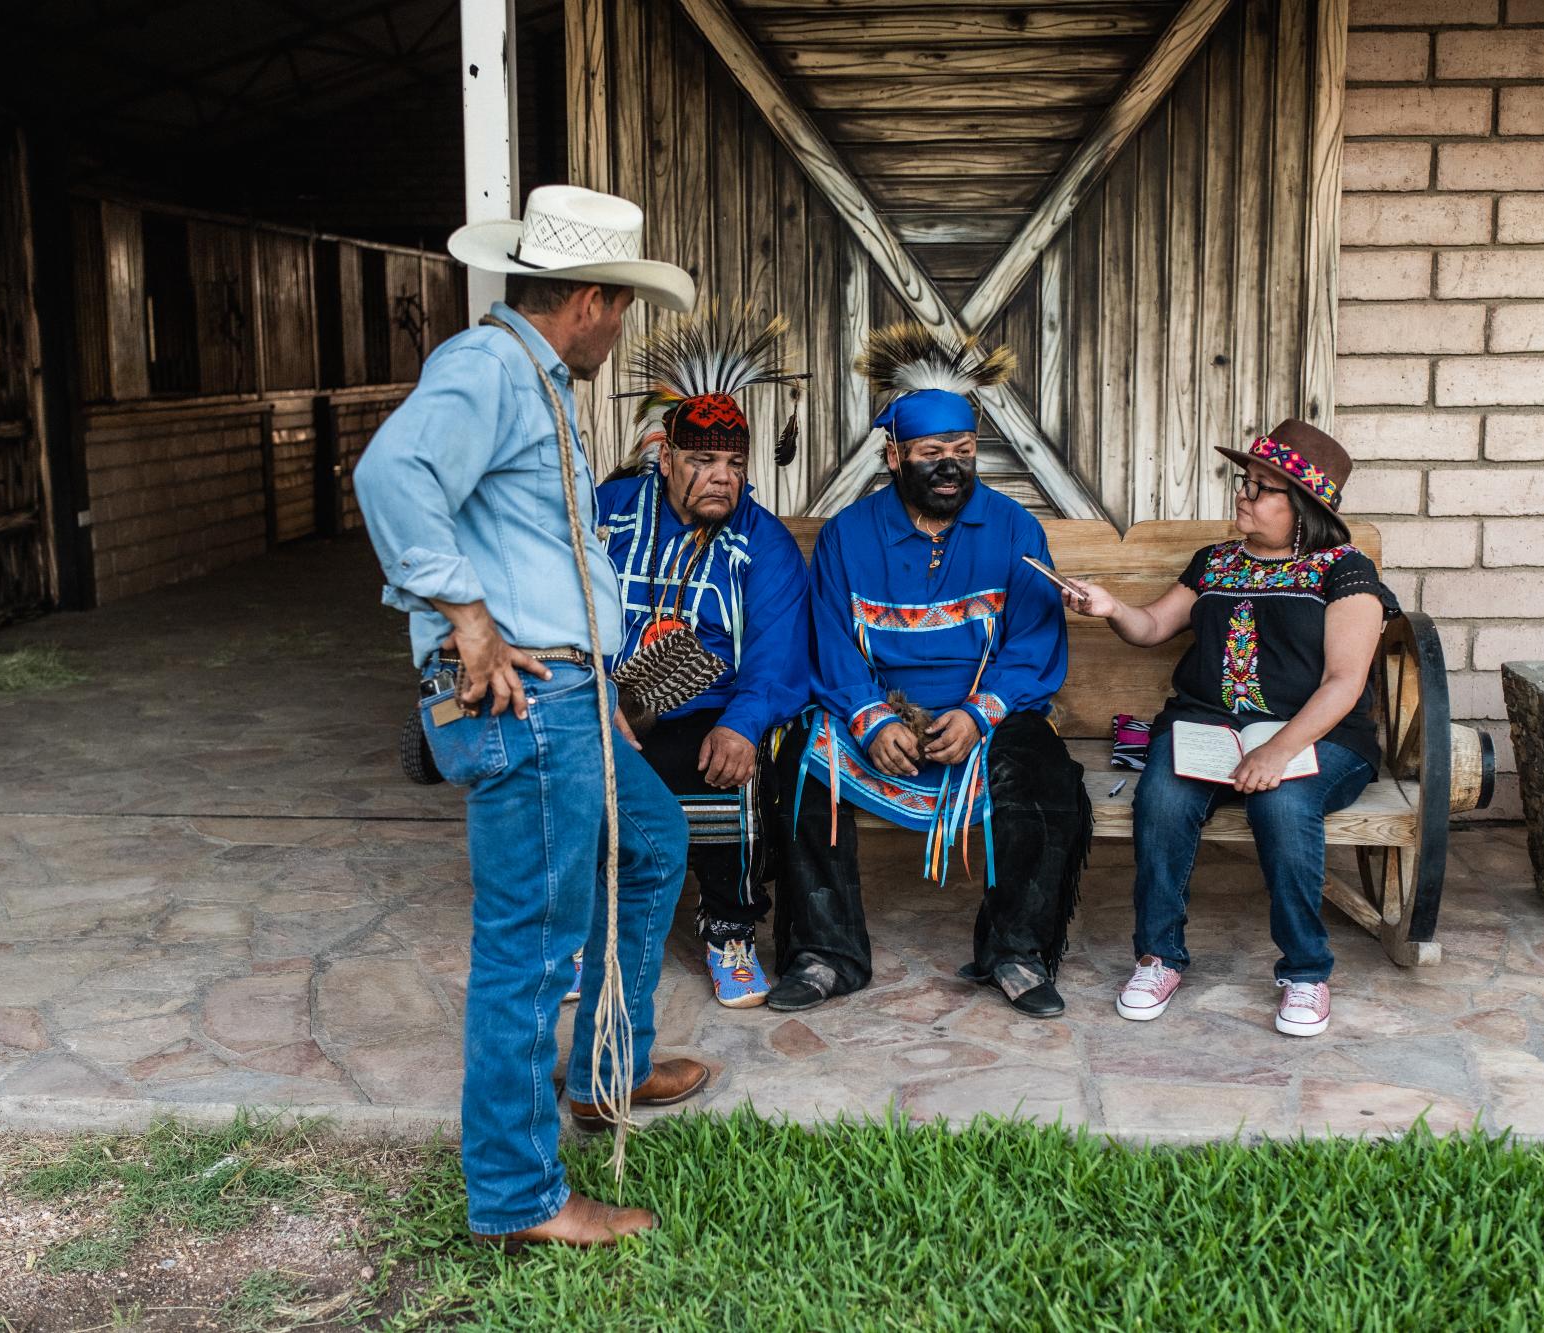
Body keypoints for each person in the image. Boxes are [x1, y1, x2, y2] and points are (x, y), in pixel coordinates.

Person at [353, 185, 708, 1249]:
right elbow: (390, 472)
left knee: (650, 840)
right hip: (528, 699)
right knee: (526, 950)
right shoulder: (487, 368)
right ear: (592, 300)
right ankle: (519, 1196)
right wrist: (463, 611)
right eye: (624, 310)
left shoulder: (530, 376)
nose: (620, 330)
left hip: (571, 691)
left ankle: (609, 1067)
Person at [767, 324, 1091, 1020]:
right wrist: (870, 715)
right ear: (893, 455)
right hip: (880, 716)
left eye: (965, 453)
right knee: (798, 765)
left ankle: (1016, 951)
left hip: (984, 719)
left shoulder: (1014, 529)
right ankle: (825, 954)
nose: (951, 468)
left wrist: (980, 713)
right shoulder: (848, 536)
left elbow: (1033, 641)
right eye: (932, 454)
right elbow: (826, 637)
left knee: (1048, 775)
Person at [1062, 419, 1396, 1038]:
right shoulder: (1214, 562)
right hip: (1209, 727)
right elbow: (1154, 627)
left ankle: (1305, 971)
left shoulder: (1343, 572)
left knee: (1285, 803)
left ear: (1303, 506)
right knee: (1161, 798)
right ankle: (1158, 956)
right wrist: (1110, 609)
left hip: (1319, 736)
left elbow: (1344, 684)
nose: (1242, 495)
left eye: (1261, 488)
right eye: (1245, 483)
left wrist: (1278, 750)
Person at [595, 312, 812, 1008]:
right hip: (606, 693)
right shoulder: (612, 511)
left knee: (726, 761)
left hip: (699, 705)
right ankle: (588, 933)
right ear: (666, 458)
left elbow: (777, 656)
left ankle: (727, 927)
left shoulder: (765, 543)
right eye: (701, 462)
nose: (721, 479)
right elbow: (561, 602)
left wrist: (746, 723)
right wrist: (598, 697)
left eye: (734, 464)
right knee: (570, 760)